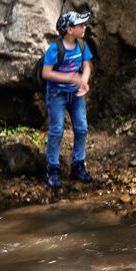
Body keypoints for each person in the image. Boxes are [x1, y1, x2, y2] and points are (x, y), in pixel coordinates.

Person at [42, 10, 94, 188]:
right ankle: (52, 169)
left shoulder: (81, 45)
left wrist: (83, 82)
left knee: (82, 128)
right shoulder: (55, 48)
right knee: (56, 131)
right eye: (80, 25)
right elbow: (46, 73)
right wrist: (71, 78)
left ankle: (78, 165)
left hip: (76, 95)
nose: (84, 27)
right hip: (56, 95)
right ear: (70, 30)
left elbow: (86, 66)